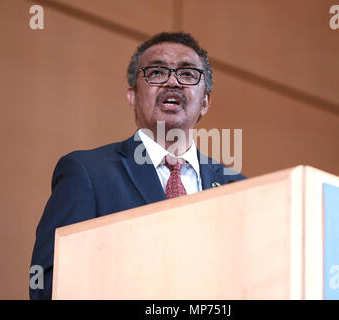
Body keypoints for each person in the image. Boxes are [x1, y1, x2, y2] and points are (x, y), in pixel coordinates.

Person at [29, 32, 246, 300]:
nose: (172, 82)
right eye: (156, 72)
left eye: (188, 75)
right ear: (132, 96)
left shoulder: (238, 188)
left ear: (205, 102)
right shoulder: (87, 172)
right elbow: (48, 284)